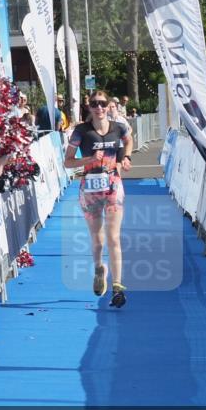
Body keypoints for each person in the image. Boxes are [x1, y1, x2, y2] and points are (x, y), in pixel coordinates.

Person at [63, 89, 133, 308]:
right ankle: (98, 269)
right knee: (97, 239)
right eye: (95, 104)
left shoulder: (118, 127)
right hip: (90, 189)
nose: (99, 108)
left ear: (108, 104)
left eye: (103, 103)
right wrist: (90, 159)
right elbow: (67, 162)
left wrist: (125, 158)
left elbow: (129, 140)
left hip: (113, 186)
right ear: (89, 107)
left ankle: (118, 286)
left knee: (113, 237)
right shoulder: (81, 131)